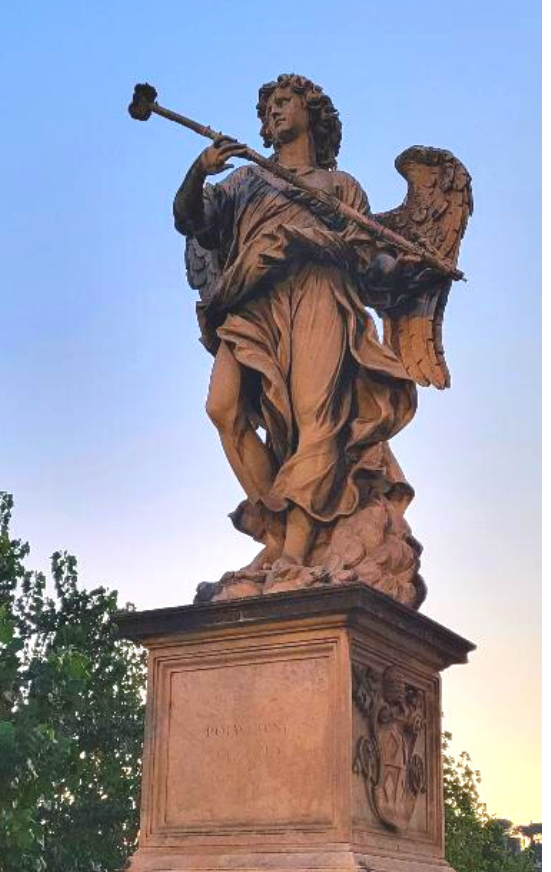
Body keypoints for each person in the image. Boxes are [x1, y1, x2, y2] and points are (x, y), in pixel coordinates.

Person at [173, 74, 423, 604]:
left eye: (284, 103)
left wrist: (400, 265)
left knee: (317, 420)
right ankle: (277, 531)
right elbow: (190, 219)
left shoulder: (340, 187)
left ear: (311, 112)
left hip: (318, 295)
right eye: (266, 110)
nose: (272, 115)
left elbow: (364, 254)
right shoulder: (243, 184)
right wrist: (199, 172)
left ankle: (296, 550)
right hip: (253, 303)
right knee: (223, 408)